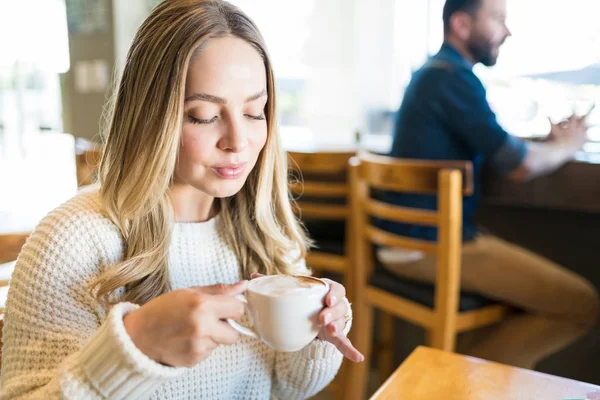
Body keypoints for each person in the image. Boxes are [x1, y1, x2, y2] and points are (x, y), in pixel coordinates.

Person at [0, 1, 363, 399]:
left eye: (255, 112)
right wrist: (136, 347)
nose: (238, 141)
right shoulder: (72, 239)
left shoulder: (266, 231)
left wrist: (315, 333)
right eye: (204, 115)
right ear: (150, 116)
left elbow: (287, 388)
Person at [379, 0, 599, 369]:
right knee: (581, 303)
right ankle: (460, 385)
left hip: (405, 238)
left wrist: (548, 145)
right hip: (428, 246)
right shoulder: (452, 77)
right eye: (497, 19)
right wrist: (567, 148)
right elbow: (520, 166)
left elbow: (500, 145)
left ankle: (462, 378)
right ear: (462, 25)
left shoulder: (432, 73)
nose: (507, 31)